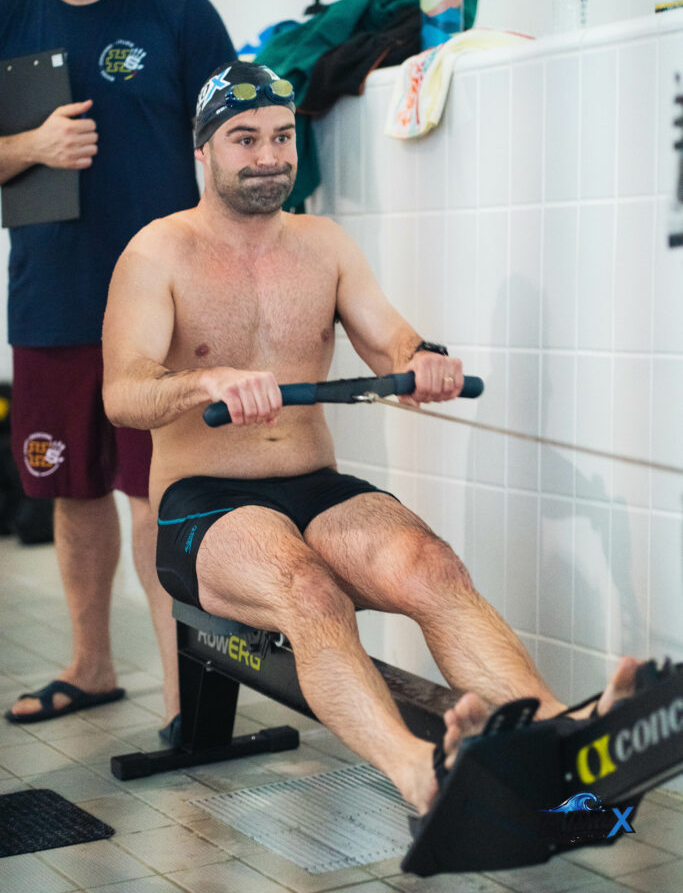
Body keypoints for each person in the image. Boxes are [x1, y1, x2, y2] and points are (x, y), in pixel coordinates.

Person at [101, 60, 641, 814]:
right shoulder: (157, 252)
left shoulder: (323, 244)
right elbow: (123, 395)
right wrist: (205, 382)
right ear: (202, 149)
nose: (268, 156)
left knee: (432, 568)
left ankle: (565, 739)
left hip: (316, 487)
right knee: (310, 592)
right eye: (244, 138)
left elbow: (392, 342)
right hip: (205, 502)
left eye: (282, 136)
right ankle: (419, 772)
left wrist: (422, 361)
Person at [1, 0, 236, 735]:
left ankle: (183, 702)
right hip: (51, 297)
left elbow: (232, 143)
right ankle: (91, 666)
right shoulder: (9, 20)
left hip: (162, 309)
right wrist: (31, 145)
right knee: (72, 489)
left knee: (156, 495)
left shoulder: (178, 12)